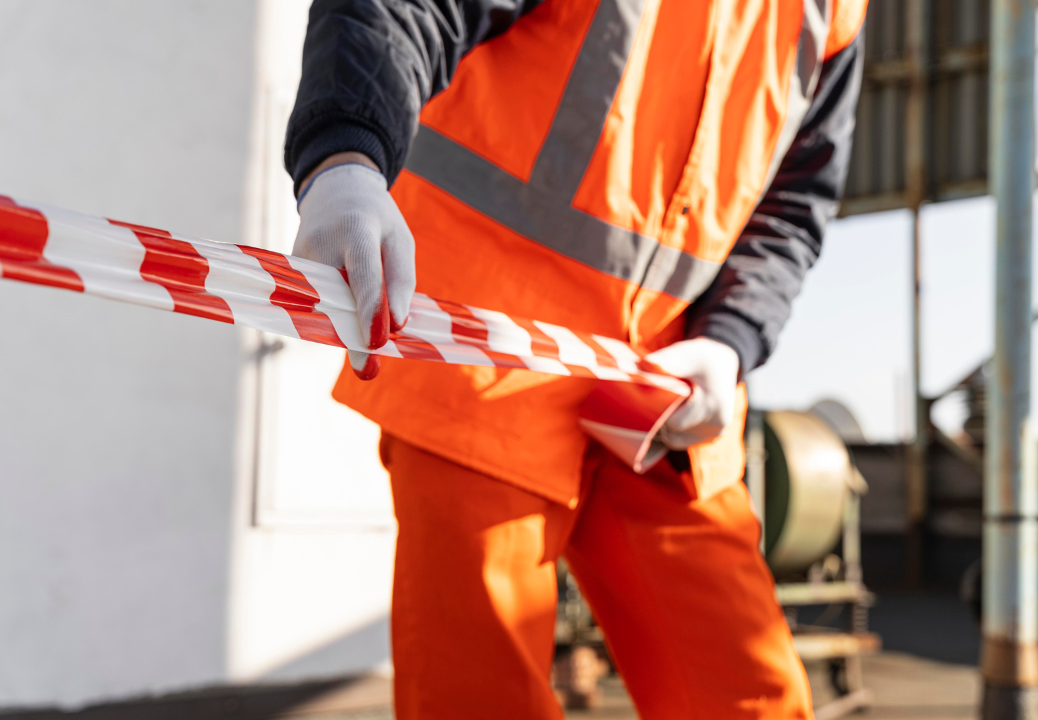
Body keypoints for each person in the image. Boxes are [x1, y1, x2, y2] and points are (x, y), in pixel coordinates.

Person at [284, 1, 867, 717]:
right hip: (485, 349)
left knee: (750, 697)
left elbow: (796, 198)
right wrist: (345, 157)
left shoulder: (835, 11)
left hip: (662, 385)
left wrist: (732, 337)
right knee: (480, 698)